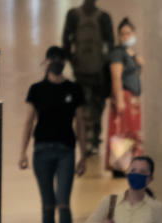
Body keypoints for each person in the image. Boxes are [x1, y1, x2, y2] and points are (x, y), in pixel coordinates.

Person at [20, 50, 89, 223]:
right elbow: (29, 122)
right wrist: (22, 152)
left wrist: (84, 154)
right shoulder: (37, 90)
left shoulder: (73, 89)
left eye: (60, 60)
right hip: (41, 151)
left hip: (65, 151)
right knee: (47, 205)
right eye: (53, 60)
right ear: (46, 62)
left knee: (63, 203)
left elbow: (80, 123)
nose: (56, 64)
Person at [61, 0, 114, 157]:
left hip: (88, 72)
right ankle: (91, 140)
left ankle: (90, 140)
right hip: (91, 72)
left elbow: (66, 42)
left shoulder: (78, 15)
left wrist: (73, 60)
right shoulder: (101, 17)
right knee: (90, 107)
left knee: (90, 107)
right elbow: (110, 45)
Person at [105, 18, 144, 174]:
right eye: (123, 33)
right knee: (122, 131)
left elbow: (135, 76)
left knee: (132, 131)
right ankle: (120, 167)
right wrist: (120, 100)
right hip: (124, 97)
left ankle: (130, 164)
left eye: (128, 33)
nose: (126, 36)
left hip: (133, 98)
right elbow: (116, 77)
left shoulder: (132, 54)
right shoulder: (117, 53)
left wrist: (140, 64)